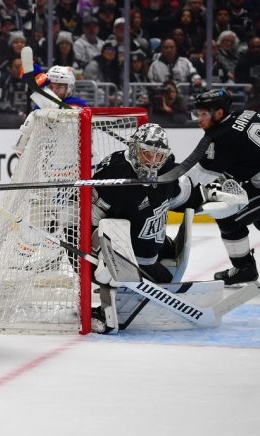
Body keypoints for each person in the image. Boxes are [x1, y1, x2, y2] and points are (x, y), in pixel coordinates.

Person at [90, 123, 203, 332]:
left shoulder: (167, 169)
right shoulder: (114, 172)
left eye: (158, 156)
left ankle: (127, 284)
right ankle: (107, 305)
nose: (153, 162)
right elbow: (91, 217)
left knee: (167, 279)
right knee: (108, 269)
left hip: (151, 253)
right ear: (134, 149)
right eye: (147, 154)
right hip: (125, 255)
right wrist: (101, 253)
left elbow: (180, 195)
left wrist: (208, 195)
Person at [188, 89, 260, 285]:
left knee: (226, 214)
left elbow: (197, 178)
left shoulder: (221, 136)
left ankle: (244, 269)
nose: (199, 119)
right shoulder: (245, 113)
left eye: (203, 114)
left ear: (219, 113)